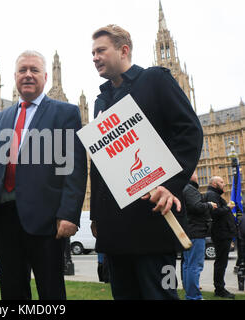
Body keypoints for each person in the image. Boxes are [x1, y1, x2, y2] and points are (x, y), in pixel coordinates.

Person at [89, 25, 203, 300]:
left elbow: (190, 131)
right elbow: (100, 164)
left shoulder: (155, 79)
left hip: (152, 222)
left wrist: (170, 185)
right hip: (116, 230)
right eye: (92, 53)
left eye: (101, 50)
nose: (94, 57)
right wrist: (95, 214)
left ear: (123, 50)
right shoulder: (101, 101)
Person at [0, 50, 87, 300]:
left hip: (47, 220)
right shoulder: (2, 116)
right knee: (12, 290)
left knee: (50, 290)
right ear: (15, 76)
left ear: (46, 76)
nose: (28, 75)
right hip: (6, 219)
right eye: (22, 70)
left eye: (34, 70)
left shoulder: (65, 112)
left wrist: (69, 214)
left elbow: (73, 167)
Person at [181, 171, 216, 300]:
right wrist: (210, 205)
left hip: (189, 231)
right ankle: (193, 296)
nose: (197, 175)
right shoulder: (189, 189)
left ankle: (190, 293)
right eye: (195, 172)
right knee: (195, 266)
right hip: (196, 232)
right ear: (190, 174)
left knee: (188, 265)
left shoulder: (184, 187)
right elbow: (196, 207)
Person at [205, 176, 237, 299]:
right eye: (221, 182)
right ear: (214, 183)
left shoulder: (214, 195)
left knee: (221, 262)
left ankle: (220, 288)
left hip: (224, 233)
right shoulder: (212, 195)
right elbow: (215, 213)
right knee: (221, 263)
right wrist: (228, 207)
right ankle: (219, 289)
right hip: (221, 234)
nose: (224, 184)